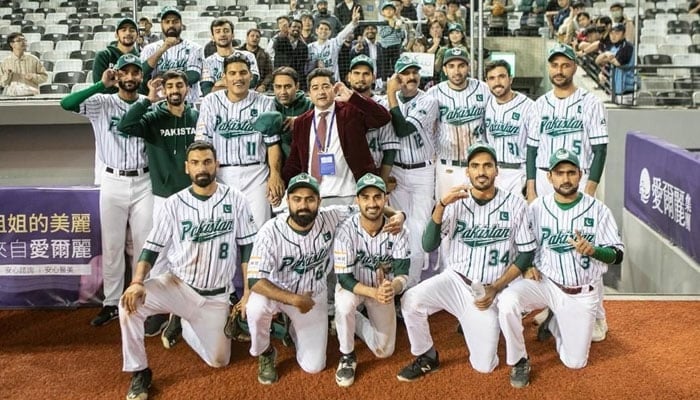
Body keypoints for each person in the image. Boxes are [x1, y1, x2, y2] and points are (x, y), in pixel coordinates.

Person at [118, 141, 258, 400]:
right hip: (177, 286)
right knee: (128, 304)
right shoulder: (174, 203)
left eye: (207, 161)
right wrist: (137, 281)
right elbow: (151, 248)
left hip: (216, 296)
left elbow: (248, 247)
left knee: (219, 361)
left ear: (217, 164)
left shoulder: (236, 199)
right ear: (187, 168)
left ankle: (183, 324)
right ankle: (139, 371)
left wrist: (248, 291)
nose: (201, 167)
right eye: (195, 163)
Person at [245, 172, 405, 385]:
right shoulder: (270, 230)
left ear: (319, 201)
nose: (303, 205)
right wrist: (293, 300)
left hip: (313, 297)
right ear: (288, 201)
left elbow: (368, 207)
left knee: (314, 366)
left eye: (310, 199)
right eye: (297, 199)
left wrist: (399, 214)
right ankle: (265, 352)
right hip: (277, 293)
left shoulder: (330, 216)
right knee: (255, 308)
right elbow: (254, 281)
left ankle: (289, 328)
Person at [396, 143, 536, 382]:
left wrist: (497, 287)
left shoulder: (515, 205)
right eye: (475, 166)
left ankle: (477, 322)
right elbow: (429, 244)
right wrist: (440, 205)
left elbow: (526, 254)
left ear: (496, 170)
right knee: (411, 300)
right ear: (467, 172)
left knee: (484, 366)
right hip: (456, 281)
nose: (481, 172)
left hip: (489, 289)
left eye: (487, 166)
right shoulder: (454, 202)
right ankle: (427, 355)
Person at [498, 148, 624, 388]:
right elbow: (521, 245)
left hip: (581, 292)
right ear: (550, 177)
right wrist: (528, 267)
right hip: (546, 284)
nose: (565, 179)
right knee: (507, 303)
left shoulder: (598, 210)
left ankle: (554, 321)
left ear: (580, 175)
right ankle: (519, 359)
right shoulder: (536, 208)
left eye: (571, 173)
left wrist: (594, 251)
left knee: (575, 363)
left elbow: (618, 255)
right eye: (559, 173)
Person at [59, 54, 152, 327]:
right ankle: (112, 303)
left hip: (144, 180)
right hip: (112, 179)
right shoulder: (102, 102)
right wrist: (101, 85)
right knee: (112, 246)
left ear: (141, 77)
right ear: (118, 75)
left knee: (144, 245)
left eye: (136, 72)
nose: (131, 77)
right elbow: (66, 103)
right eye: (126, 72)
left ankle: (145, 300)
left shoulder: (148, 104)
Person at [525, 44, 609, 342]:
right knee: (550, 247)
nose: (559, 70)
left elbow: (600, 149)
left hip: (579, 178)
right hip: (548, 179)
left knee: (585, 252)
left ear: (574, 67)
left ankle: (597, 314)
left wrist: (590, 188)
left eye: (565, 65)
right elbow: (532, 148)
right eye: (554, 65)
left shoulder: (590, 102)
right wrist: (532, 186)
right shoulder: (540, 104)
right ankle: (553, 308)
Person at [117, 70, 198, 342]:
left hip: (194, 196)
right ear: (163, 90)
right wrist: (147, 100)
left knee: (192, 252)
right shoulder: (153, 117)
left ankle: (184, 313)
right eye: (169, 85)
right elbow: (124, 127)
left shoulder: (197, 116)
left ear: (187, 89)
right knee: (161, 254)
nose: (174, 89)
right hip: (163, 197)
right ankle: (164, 310)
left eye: (179, 84)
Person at [333, 173, 410, 387]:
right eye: (365, 197)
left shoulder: (399, 231)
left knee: (384, 351)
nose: (372, 203)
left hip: (381, 291)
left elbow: (403, 272)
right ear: (357, 200)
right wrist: (373, 292)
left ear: (385, 199)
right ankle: (347, 355)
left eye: (377, 197)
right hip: (355, 287)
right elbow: (344, 278)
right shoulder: (345, 231)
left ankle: (355, 323)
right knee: (344, 304)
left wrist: (392, 288)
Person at [196, 54, 284, 229]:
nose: (238, 78)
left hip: (256, 173)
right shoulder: (210, 102)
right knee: (224, 230)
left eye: (243, 73)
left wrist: (275, 175)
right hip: (221, 175)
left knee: (259, 229)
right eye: (233, 73)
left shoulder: (265, 103)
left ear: (250, 76)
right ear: (224, 77)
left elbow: (272, 144)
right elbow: (202, 143)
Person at [282, 67, 392, 203]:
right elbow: (295, 161)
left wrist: (353, 98)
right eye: (315, 88)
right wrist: (281, 184)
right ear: (309, 93)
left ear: (334, 89)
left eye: (325, 86)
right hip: (315, 196)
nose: (321, 92)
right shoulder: (301, 122)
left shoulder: (350, 112)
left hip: (351, 193)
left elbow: (383, 117)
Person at [386, 55, 439, 287]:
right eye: (405, 73)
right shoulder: (385, 100)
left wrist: (390, 95)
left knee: (418, 227)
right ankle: (400, 281)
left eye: (414, 72)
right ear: (397, 77)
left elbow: (402, 129)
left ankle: (413, 284)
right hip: (397, 172)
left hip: (422, 172)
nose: (411, 77)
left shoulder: (428, 101)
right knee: (399, 228)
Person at [427, 47, 490, 200]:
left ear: (468, 67)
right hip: (447, 166)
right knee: (447, 214)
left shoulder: (483, 89)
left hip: (476, 166)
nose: (457, 71)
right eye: (451, 66)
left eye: (461, 66)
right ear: (444, 69)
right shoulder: (433, 93)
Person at [347, 55, 399, 186]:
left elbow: (390, 147)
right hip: (345, 173)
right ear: (349, 77)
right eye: (356, 73)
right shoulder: (340, 103)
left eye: (366, 74)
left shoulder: (383, 104)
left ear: (373, 77)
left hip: (373, 171)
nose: (361, 78)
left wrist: (382, 180)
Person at [483, 59, 533, 196]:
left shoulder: (529, 106)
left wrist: (531, 181)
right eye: (492, 78)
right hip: (494, 172)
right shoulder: (486, 105)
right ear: (487, 82)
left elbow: (536, 148)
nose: (497, 82)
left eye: (502, 76)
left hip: (519, 173)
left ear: (510, 79)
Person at [140, 6, 203, 104]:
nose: (171, 25)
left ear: (181, 24)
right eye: (167, 22)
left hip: (188, 102)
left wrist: (161, 77)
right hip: (158, 103)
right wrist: (162, 49)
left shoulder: (194, 48)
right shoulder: (149, 49)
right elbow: (141, 73)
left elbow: (193, 75)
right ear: (161, 25)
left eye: (175, 21)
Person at [200, 19, 261, 96]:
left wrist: (221, 83)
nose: (222, 34)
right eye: (218, 31)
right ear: (213, 37)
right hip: (218, 105)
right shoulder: (207, 62)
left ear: (233, 35)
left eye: (226, 31)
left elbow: (252, 83)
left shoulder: (248, 56)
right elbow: (206, 90)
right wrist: (237, 83)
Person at [306, 7, 360, 80]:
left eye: (326, 29)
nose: (323, 31)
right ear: (316, 31)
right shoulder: (309, 47)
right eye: (321, 29)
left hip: (333, 81)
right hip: (316, 80)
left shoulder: (334, 43)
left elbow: (344, 33)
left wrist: (353, 23)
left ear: (330, 32)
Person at [271, 66, 313, 160]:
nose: (283, 92)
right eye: (278, 87)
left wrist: (299, 121)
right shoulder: (269, 107)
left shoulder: (310, 106)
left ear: (297, 86)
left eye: (287, 86)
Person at [93, 18, 140, 93]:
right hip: (108, 102)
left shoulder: (141, 57)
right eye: (123, 30)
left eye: (132, 30)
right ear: (116, 35)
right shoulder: (103, 56)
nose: (128, 33)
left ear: (137, 35)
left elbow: (143, 87)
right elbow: (99, 86)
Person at [595, 23, 635, 102]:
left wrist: (605, 58)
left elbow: (617, 63)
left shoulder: (627, 46)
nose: (613, 36)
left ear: (623, 34)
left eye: (617, 33)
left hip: (626, 91)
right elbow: (597, 61)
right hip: (614, 90)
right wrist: (606, 54)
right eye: (611, 33)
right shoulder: (612, 47)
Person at [272, 19, 309, 90]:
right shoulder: (279, 42)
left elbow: (302, 67)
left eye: (299, 28)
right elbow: (278, 62)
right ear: (289, 28)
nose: (296, 29)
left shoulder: (304, 47)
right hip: (281, 76)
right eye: (294, 26)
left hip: (296, 79)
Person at [238, 28, 274, 93]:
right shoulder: (237, 52)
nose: (255, 38)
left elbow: (269, 74)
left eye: (257, 37)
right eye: (252, 36)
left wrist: (263, 86)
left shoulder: (265, 54)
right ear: (247, 37)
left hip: (258, 88)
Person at [378, 1, 409, 76]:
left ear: (394, 11)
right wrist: (391, 27)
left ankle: (397, 78)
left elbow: (401, 36)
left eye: (391, 9)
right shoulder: (381, 22)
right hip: (385, 47)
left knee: (396, 64)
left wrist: (397, 28)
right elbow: (382, 34)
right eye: (386, 9)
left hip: (395, 46)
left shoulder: (398, 22)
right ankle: (384, 81)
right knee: (385, 65)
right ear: (383, 12)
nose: (389, 11)